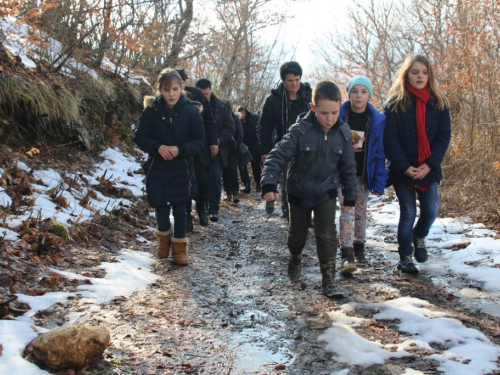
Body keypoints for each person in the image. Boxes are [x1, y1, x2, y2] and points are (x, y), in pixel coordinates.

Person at [261, 81, 358, 298]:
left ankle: (328, 281)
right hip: (298, 192)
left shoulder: (343, 133)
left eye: (334, 112)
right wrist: (269, 183)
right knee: (297, 235)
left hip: (326, 192)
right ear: (313, 108)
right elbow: (277, 156)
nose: (330, 118)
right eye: (324, 113)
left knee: (327, 235)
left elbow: (349, 168)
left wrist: (350, 197)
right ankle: (295, 256)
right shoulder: (299, 131)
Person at [384, 54, 451, 273]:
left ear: (429, 74)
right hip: (403, 170)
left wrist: (429, 165)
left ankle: (419, 236)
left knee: (430, 212)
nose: (420, 76)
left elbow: (443, 137)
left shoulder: (439, 102)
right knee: (408, 213)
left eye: (424, 72)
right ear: (407, 75)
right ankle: (405, 257)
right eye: (415, 72)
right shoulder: (395, 103)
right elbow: (390, 139)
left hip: (428, 169)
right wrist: (404, 167)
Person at [134, 69, 205, 265]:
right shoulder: (151, 112)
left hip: (182, 168)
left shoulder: (191, 112)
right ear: (159, 90)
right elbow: (139, 137)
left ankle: (180, 249)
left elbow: (200, 141)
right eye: (166, 90)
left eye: (175, 89)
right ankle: (164, 241)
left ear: (181, 88)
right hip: (157, 168)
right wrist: (158, 147)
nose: (171, 94)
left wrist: (179, 149)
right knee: (161, 208)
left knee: (181, 209)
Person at [337, 76, 387, 274]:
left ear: (369, 95)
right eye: (355, 91)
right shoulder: (340, 115)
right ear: (349, 94)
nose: (359, 96)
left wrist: (379, 180)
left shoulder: (375, 120)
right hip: (343, 174)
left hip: (364, 174)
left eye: (363, 92)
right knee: (346, 212)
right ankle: (346, 254)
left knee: (361, 213)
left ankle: (359, 248)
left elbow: (380, 151)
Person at [257, 61, 312, 218]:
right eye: (290, 81)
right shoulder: (273, 100)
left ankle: (306, 214)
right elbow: (264, 127)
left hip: (308, 145)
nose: (294, 84)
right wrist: (265, 151)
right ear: (283, 80)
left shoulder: (309, 95)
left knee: (306, 181)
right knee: (288, 181)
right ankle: (290, 214)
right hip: (284, 145)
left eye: (297, 79)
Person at [175, 68, 218, 230]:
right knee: (183, 182)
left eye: (182, 83)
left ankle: (202, 208)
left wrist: (213, 142)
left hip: (200, 146)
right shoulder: (169, 97)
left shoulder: (196, 94)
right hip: (179, 149)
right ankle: (185, 216)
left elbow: (209, 119)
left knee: (202, 180)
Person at [195, 78, 235, 222]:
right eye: (201, 94)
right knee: (201, 180)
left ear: (210, 91)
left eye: (206, 94)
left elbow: (231, 127)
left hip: (217, 149)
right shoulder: (192, 105)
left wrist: (218, 140)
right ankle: (202, 206)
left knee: (215, 177)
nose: (204, 97)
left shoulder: (221, 106)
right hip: (198, 149)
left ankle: (213, 209)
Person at [222, 100, 246, 203]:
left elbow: (240, 135)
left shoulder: (235, 118)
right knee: (224, 172)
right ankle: (228, 193)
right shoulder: (219, 119)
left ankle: (235, 193)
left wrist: (234, 146)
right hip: (223, 149)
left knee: (232, 170)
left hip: (234, 150)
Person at [237, 105, 261, 193]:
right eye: (240, 113)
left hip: (254, 145)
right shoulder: (237, 121)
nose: (242, 115)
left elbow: (257, 132)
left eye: (243, 113)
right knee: (242, 165)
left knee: (256, 165)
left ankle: (258, 183)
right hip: (243, 146)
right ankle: (247, 185)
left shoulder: (253, 119)